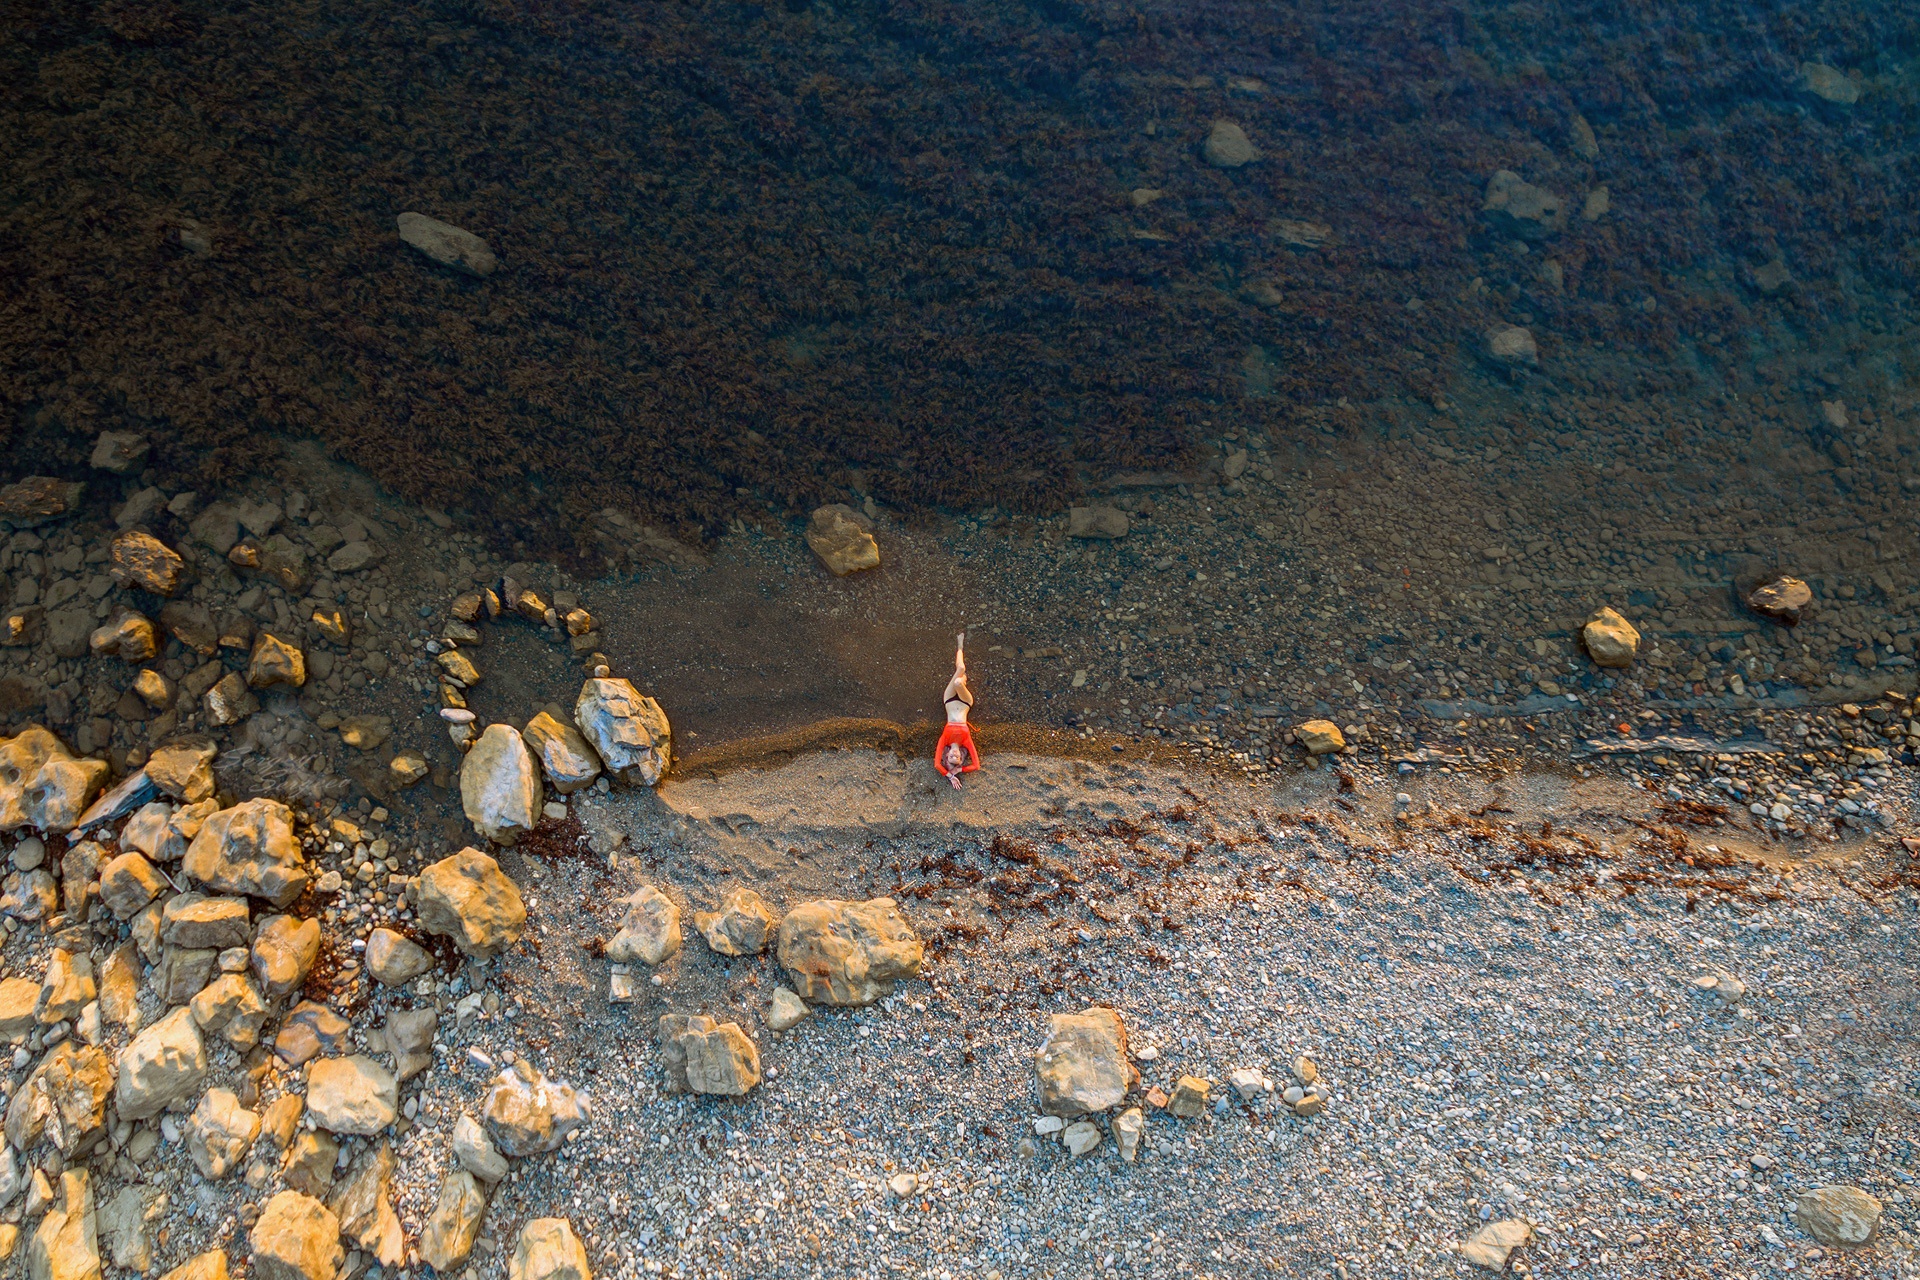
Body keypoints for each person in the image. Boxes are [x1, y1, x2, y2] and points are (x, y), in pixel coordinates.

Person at [935, 632, 979, 788]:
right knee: (959, 682)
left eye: (951, 757)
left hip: (949, 700)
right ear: (961, 757)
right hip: (966, 703)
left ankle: (960, 645)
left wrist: (949, 775)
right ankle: (963, 681)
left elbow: (936, 765)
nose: (954, 755)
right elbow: (976, 765)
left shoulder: (944, 740)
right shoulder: (966, 742)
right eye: (957, 758)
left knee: (960, 669)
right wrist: (960, 770)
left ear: (947, 756)